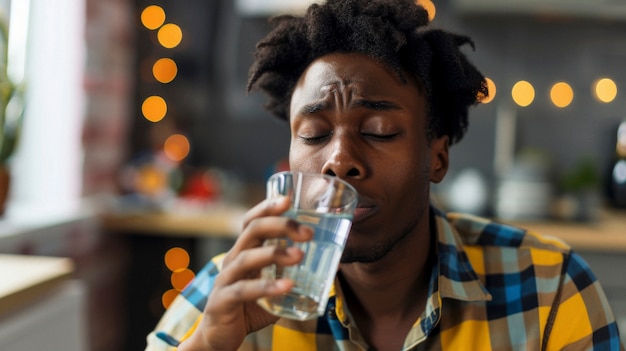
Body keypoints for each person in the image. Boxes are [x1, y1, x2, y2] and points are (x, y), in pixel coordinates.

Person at [146, 0, 624, 350]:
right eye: (313, 135)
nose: (338, 160)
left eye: (378, 130)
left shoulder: (548, 289)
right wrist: (209, 342)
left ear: (436, 159)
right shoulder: (233, 288)